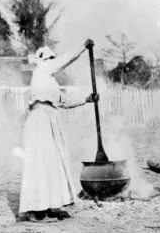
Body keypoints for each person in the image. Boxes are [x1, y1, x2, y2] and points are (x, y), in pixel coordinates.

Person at [17, 39, 99, 222]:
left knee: (53, 163)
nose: (52, 61)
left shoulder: (49, 81)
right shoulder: (41, 70)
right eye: (49, 58)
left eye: (52, 58)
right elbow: (65, 60)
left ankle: (50, 205)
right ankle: (37, 210)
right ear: (43, 60)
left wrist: (87, 99)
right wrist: (82, 47)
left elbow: (63, 100)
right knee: (40, 162)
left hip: (50, 119)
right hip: (40, 120)